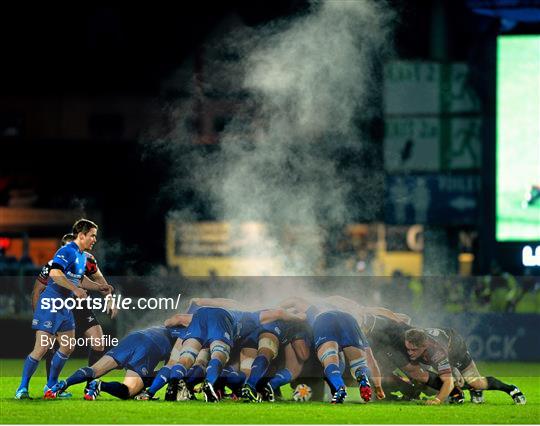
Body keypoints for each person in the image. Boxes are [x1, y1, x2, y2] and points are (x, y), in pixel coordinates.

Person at [15, 219, 107, 399]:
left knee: (68, 346)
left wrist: (99, 287)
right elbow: (55, 273)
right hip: (51, 303)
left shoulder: (81, 255)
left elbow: (78, 279)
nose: (94, 239)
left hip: (65, 306)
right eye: (92, 236)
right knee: (41, 349)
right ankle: (22, 388)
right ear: (81, 235)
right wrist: (75, 290)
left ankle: (51, 387)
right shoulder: (67, 250)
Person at [31, 232, 116, 393]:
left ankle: (91, 383)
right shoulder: (52, 265)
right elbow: (37, 290)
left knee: (99, 342)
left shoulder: (88, 259)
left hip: (80, 306)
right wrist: (39, 317)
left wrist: (109, 299)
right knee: (53, 346)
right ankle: (51, 386)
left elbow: (99, 279)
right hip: (59, 306)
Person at [280, 296, 385, 404]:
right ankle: (362, 377)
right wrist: (378, 386)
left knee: (329, 359)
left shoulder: (316, 308)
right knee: (359, 363)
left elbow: (295, 301)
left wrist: (278, 308)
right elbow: (371, 361)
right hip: (349, 320)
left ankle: (340, 389)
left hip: (324, 319)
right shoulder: (356, 321)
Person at [44, 325, 181, 400]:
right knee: (128, 391)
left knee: (94, 369)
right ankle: (100, 385)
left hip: (133, 337)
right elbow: (167, 371)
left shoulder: (166, 327)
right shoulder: (182, 339)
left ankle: (63, 384)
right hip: (148, 346)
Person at [404, 328, 526, 405]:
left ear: (424, 346)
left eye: (414, 350)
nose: (410, 352)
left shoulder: (436, 351)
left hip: (456, 349)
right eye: (408, 349)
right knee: (427, 376)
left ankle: (511, 389)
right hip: (444, 348)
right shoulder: (413, 337)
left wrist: (437, 400)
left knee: (475, 382)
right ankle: (459, 394)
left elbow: (448, 382)